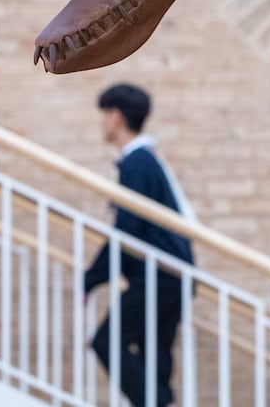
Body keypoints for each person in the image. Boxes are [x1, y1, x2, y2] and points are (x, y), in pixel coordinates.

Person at [84, 83, 195, 407]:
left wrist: (91, 277)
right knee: (153, 356)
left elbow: (126, 228)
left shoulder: (138, 163)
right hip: (169, 276)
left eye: (105, 115)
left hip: (160, 276)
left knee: (108, 341)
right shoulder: (145, 161)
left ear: (116, 117)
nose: (103, 122)